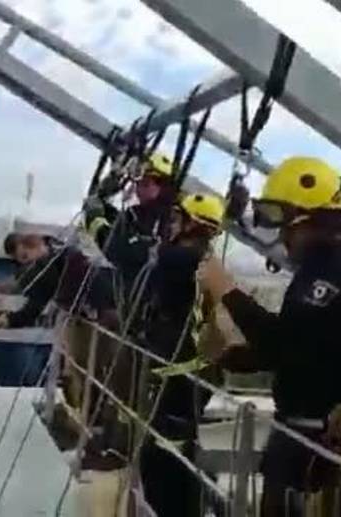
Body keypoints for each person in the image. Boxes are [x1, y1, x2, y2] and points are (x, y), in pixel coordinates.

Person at [197, 156, 341, 516]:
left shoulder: (331, 279)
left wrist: (227, 291)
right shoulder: (325, 271)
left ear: (309, 220)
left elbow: (281, 345)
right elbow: (303, 349)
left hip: (315, 448)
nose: (281, 235)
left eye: (283, 220)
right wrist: (230, 357)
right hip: (305, 441)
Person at [138, 192, 225, 517]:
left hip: (178, 374)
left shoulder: (180, 260)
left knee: (163, 458)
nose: (170, 226)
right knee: (175, 447)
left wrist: (98, 220)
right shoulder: (203, 261)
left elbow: (138, 255)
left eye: (177, 220)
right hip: (190, 372)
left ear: (192, 226)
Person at [86, 152, 177, 314]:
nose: (138, 188)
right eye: (138, 183)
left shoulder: (164, 223)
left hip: (141, 299)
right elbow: (118, 223)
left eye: (146, 183)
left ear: (162, 187)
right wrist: (101, 196)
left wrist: (96, 221)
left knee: (91, 276)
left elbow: (121, 251)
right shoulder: (139, 214)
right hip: (130, 289)